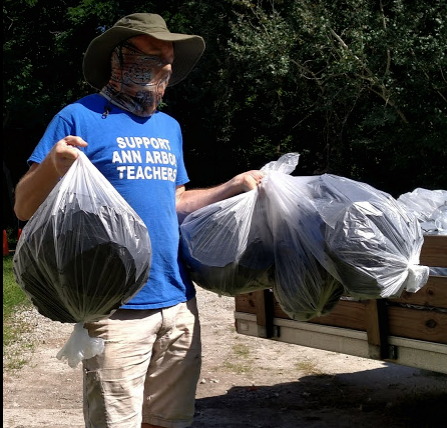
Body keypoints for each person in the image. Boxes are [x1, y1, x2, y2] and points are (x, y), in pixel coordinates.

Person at [14, 13, 264, 428]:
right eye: (153, 56)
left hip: (178, 300)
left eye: (169, 59)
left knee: (169, 421)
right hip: (115, 307)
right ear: (120, 58)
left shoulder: (168, 127)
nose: (165, 68)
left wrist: (231, 187)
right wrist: (53, 165)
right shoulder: (78, 117)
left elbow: (176, 202)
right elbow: (24, 206)